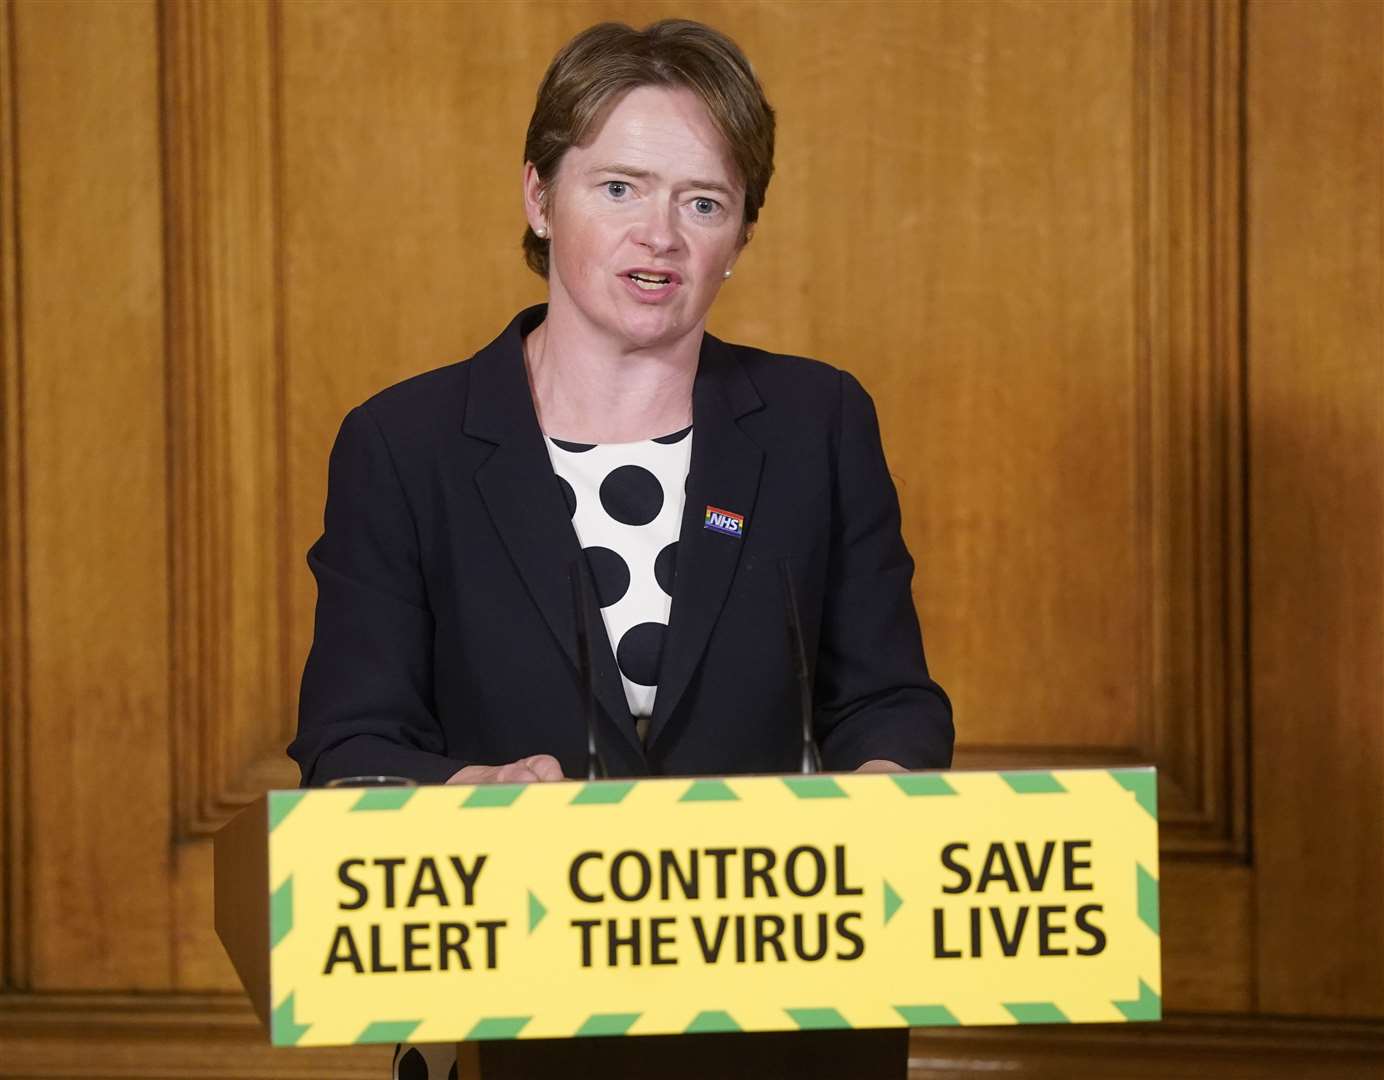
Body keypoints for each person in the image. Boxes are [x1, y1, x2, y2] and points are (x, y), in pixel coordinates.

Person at [288, 19, 952, 1078]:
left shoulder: (815, 421)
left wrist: (879, 789)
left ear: (739, 237)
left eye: (703, 202)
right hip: (519, 1024)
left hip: (789, 1019)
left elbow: (887, 697)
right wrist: (466, 786)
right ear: (539, 199)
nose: (662, 236)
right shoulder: (402, 445)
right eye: (619, 188)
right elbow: (352, 741)